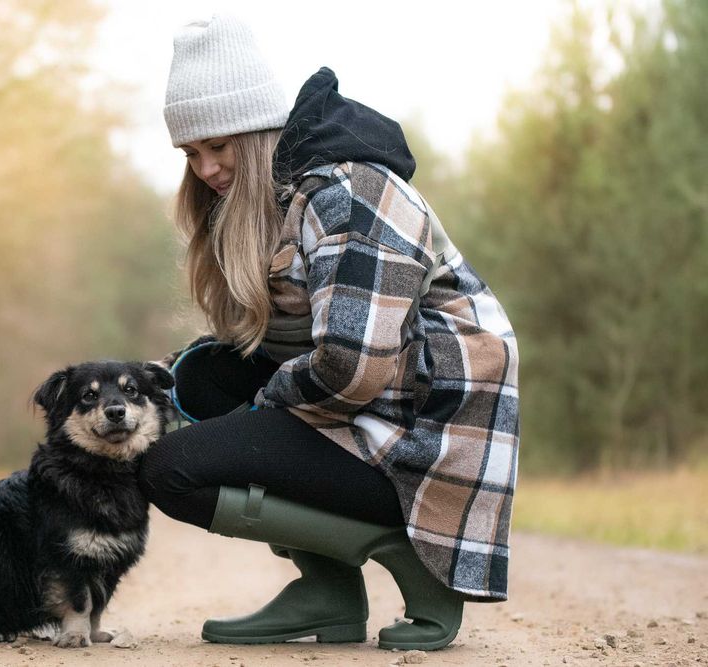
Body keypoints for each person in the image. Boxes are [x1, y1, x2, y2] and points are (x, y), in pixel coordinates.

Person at [137, 15, 519, 651]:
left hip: (429, 436)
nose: (205, 169)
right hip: (379, 409)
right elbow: (284, 346)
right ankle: (330, 592)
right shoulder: (283, 199)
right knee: (201, 378)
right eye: (191, 153)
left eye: (219, 146)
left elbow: (353, 368)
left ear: (260, 129)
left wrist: (259, 408)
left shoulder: (347, 193)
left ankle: (410, 557)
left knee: (172, 471)